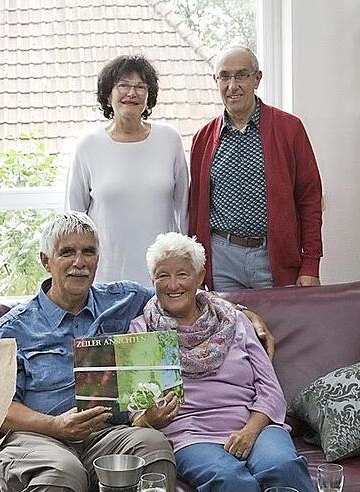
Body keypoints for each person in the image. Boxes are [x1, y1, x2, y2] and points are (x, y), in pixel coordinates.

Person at [0, 212, 273, 492]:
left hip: (105, 434)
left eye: (88, 252)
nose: (79, 262)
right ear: (45, 261)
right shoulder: (13, 327)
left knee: (154, 445)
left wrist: (243, 313)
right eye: (67, 253)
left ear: (98, 259)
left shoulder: (125, 299)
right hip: (38, 436)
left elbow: (182, 294)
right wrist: (56, 425)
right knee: (64, 472)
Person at [129, 232, 314, 492]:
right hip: (189, 435)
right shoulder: (141, 332)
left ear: (199, 277)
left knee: (282, 466)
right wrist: (151, 416)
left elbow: (271, 390)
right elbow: (137, 412)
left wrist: (250, 431)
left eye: (182, 274)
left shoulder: (234, 321)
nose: (173, 285)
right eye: (162, 275)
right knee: (230, 479)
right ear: (152, 280)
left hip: (255, 425)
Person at [188, 46, 323, 291]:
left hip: (273, 258)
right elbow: (196, 210)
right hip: (221, 261)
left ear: (257, 79)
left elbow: (310, 200)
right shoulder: (202, 139)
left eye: (241, 75)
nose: (232, 85)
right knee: (227, 329)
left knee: (276, 329)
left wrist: (310, 264)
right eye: (225, 76)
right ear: (216, 80)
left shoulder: (289, 129)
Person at [66, 55, 189, 286]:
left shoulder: (169, 139)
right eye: (123, 85)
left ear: (148, 96)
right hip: (106, 277)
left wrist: (186, 268)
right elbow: (73, 218)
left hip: (162, 277)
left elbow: (184, 212)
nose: (131, 93)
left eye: (140, 87)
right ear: (108, 94)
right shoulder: (88, 145)